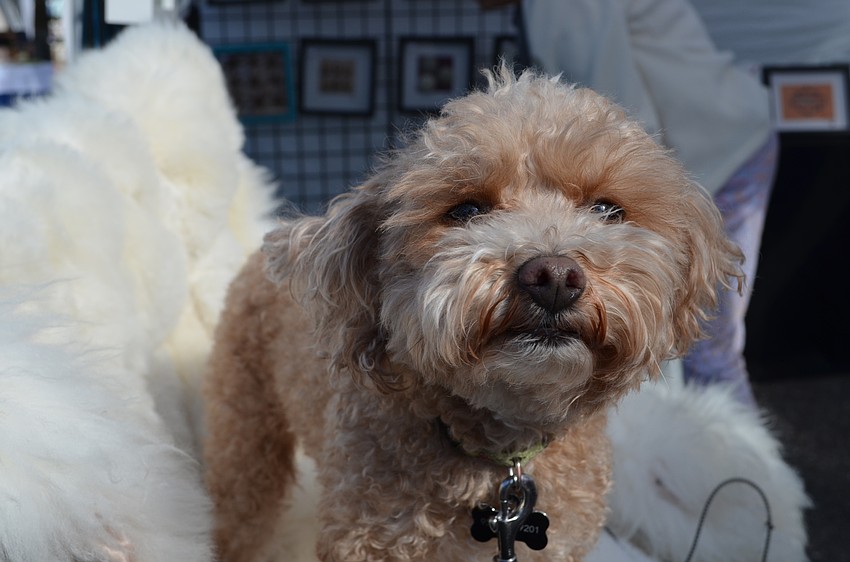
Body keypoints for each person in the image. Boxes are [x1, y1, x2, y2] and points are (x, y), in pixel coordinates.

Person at [480, 0, 778, 405]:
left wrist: (631, 208)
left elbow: (617, 127)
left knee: (705, 342)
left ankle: (727, 443)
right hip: (712, 136)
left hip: (723, 147)